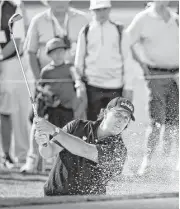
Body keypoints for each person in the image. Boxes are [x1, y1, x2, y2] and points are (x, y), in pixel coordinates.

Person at [21, 0, 88, 173]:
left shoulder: (82, 19)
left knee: (72, 125)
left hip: (70, 89)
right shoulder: (38, 20)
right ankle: (33, 159)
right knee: (39, 121)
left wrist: (79, 84)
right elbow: (30, 51)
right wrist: (40, 84)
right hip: (46, 86)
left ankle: (74, 160)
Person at [34, 97, 135, 196]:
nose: (121, 120)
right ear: (105, 113)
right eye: (118, 114)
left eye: (126, 118)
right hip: (54, 197)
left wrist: (53, 130)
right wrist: (44, 142)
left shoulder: (119, 149)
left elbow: (86, 150)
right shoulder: (76, 126)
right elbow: (48, 152)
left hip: (87, 204)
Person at [125, 0, 179, 175]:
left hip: (176, 76)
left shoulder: (175, 18)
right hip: (156, 75)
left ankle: (174, 162)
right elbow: (126, 42)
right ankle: (146, 163)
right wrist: (142, 65)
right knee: (156, 121)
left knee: (174, 122)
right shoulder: (143, 18)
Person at [73, 0, 134, 122]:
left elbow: (127, 60)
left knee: (115, 126)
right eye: (97, 10)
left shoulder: (120, 31)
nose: (101, 13)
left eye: (104, 9)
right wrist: (79, 84)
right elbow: (79, 61)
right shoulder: (85, 31)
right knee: (94, 126)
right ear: (91, 11)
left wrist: (129, 87)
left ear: (109, 9)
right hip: (92, 86)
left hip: (116, 86)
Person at [0, 0, 31, 168]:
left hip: (11, 63)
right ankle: (5, 155)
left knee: (15, 110)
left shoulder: (15, 6)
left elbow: (16, 42)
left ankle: (21, 154)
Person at [36, 37, 86, 127]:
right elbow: (40, 88)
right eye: (54, 52)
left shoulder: (70, 67)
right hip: (53, 109)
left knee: (69, 133)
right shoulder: (46, 71)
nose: (58, 54)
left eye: (61, 51)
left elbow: (78, 82)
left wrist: (79, 105)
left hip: (69, 109)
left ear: (65, 52)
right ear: (49, 55)